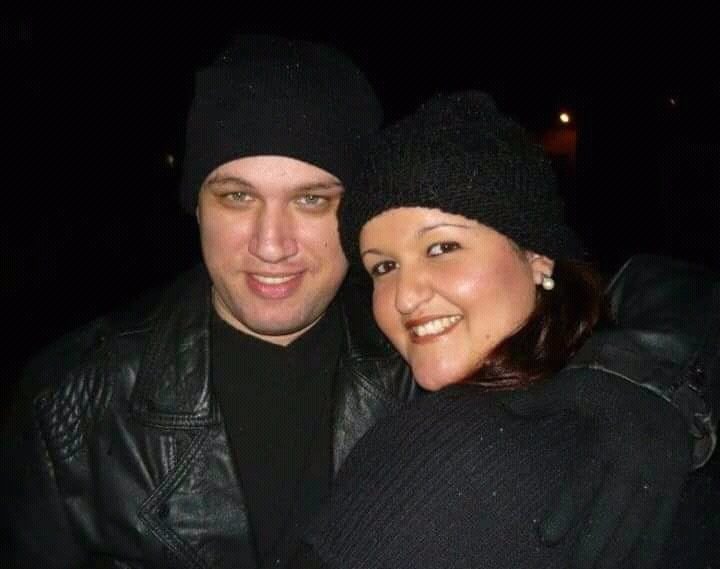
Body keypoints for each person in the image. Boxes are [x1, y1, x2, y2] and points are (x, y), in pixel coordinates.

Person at [0, 35, 716, 569]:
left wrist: (640, 381)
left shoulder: (424, 349)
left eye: (313, 200)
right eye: (238, 197)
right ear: (196, 206)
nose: (271, 243)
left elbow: (648, 288)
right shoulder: (71, 405)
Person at [290, 90, 720, 569]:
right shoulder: (637, 408)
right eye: (384, 266)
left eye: (442, 248)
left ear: (536, 256)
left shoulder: (450, 448)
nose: (405, 296)